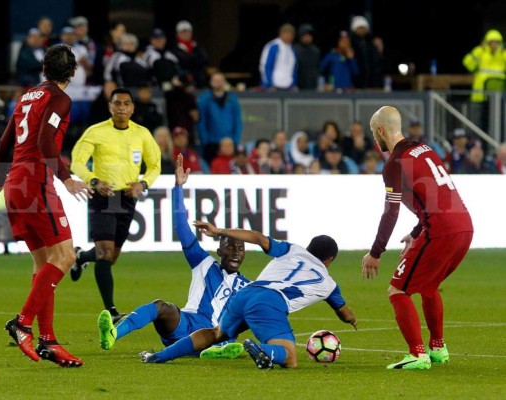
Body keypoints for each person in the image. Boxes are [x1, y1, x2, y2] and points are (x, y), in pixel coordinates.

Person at [0, 44, 92, 367]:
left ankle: (48, 339)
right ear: (73, 73)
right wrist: (67, 177)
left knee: (43, 262)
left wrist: (0, 178)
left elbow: (5, 143)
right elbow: (47, 141)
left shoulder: (26, 97)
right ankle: (22, 323)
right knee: (66, 255)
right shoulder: (60, 99)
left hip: (16, 183)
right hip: (36, 180)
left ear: (44, 70)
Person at [139, 222, 357, 368]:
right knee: (290, 357)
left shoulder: (292, 249)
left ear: (309, 248)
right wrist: (351, 319)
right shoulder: (329, 284)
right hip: (270, 301)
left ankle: (159, 356)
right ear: (330, 260)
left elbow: (256, 237)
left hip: (245, 293)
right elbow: (344, 313)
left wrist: (219, 232)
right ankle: (262, 349)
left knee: (216, 333)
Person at [96, 153, 250, 359]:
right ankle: (113, 333)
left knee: (227, 331)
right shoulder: (203, 263)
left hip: (216, 333)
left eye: (240, 248)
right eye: (230, 247)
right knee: (161, 307)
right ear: (220, 251)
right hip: (186, 323)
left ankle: (216, 348)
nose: (236, 253)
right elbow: (181, 226)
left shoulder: (249, 287)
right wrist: (178, 187)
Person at [362, 106, 473, 370]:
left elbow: (391, 211)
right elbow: (435, 195)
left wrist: (376, 253)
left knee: (397, 290)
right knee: (428, 285)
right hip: (464, 226)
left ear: (379, 131)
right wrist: (415, 233)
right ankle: (438, 348)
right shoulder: (424, 149)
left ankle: (417, 354)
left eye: (372, 132)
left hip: (441, 231)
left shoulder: (394, 164)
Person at [69, 87, 161, 323]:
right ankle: (110, 310)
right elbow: (77, 162)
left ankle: (79, 257)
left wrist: (143, 184)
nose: (121, 108)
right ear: (110, 106)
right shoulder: (96, 132)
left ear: (132, 107)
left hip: (127, 198)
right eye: (117, 103)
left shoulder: (142, 134)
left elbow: (155, 166)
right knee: (105, 252)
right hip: (103, 195)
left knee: (110, 257)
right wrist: (93, 180)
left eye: (126, 103)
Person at [462, 29, 506, 132]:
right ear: (487, 42)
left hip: (499, 98)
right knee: (479, 122)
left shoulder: (503, 54)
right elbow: (467, 64)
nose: (494, 45)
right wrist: (479, 51)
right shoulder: (480, 52)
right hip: (480, 95)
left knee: (498, 122)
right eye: (491, 42)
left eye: (497, 42)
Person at [197, 71, 243, 165]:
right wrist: (206, 141)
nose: (218, 83)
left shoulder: (232, 99)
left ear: (224, 82)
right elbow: (201, 121)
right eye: (215, 80)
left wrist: (235, 140)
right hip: (211, 142)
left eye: (220, 80)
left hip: (230, 141)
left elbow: (237, 120)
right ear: (210, 82)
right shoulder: (204, 99)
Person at [259, 23, 298, 91]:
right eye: (287, 34)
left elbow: (293, 68)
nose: (289, 36)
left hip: (288, 87)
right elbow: (265, 66)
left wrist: (293, 84)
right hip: (273, 87)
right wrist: (269, 84)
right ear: (281, 34)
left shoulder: (292, 50)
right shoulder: (273, 47)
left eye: (291, 35)